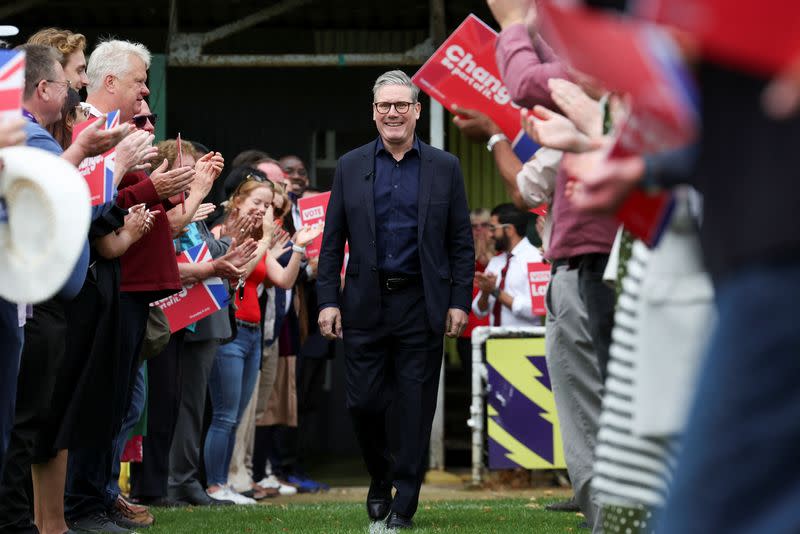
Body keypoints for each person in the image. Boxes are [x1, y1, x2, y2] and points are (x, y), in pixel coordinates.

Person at [317, 70, 474, 530]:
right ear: (373, 112)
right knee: (363, 404)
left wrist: (459, 301)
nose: (392, 113)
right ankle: (380, 477)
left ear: (417, 111)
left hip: (421, 305)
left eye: (401, 105)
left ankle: (404, 501)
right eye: (384, 106)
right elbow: (332, 242)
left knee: (414, 408)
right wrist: (328, 300)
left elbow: (461, 242)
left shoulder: (444, 167)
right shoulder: (350, 165)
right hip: (364, 304)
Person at [0, 43, 131, 534]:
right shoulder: (31, 137)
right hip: (35, 304)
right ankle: (20, 521)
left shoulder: (37, 136)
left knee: (37, 419)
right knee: (26, 421)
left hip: (49, 301)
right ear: (44, 88)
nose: (76, 87)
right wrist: (107, 165)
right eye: (70, 76)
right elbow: (57, 208)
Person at [204, 178, 321, 504]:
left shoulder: (259, 238)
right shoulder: (219, 233)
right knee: (225, 415)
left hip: (254, 332)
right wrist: (267, 240)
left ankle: (225, 484)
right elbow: (236, 275)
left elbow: (283, 279)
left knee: (239, 415)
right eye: (257, 202)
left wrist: (298, 247)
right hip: (231, 330)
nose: (263, 210)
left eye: (268, 204)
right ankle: (215, 485)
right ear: (237, 201)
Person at [472, 203, 542, 327]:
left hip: (526, 343)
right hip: (494, 342)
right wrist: (485, 292)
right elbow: (479, 311)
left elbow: (536, 310)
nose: (489, 235)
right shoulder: (496, 262)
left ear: (509, 230)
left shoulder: (537, 259)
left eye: (493, 229)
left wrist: (496, 291)